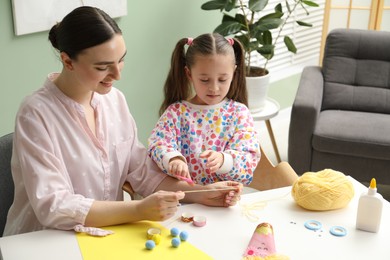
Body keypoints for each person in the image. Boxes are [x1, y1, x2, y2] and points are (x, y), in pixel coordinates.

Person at [3, 6, 242, 237]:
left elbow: (141, 171)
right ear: (68, 61)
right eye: (103, 67)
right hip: (43, 241)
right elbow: (53, 206)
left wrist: (200, 193)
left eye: (121, 60)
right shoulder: (35, 113)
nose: (118, 74)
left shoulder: (114, 100)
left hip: (109, 234)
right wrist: (138, 210)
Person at [148, 33, 260, 185]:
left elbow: (248, 159)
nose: (214, 88)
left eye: (222, 79)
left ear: (234, 72)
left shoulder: (239, 113)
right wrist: (173, 158)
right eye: (204, 80)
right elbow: (158, 143)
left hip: (225, 198)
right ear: (189, 74)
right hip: (186, 199)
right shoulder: (176, 113)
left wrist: (224, 160)